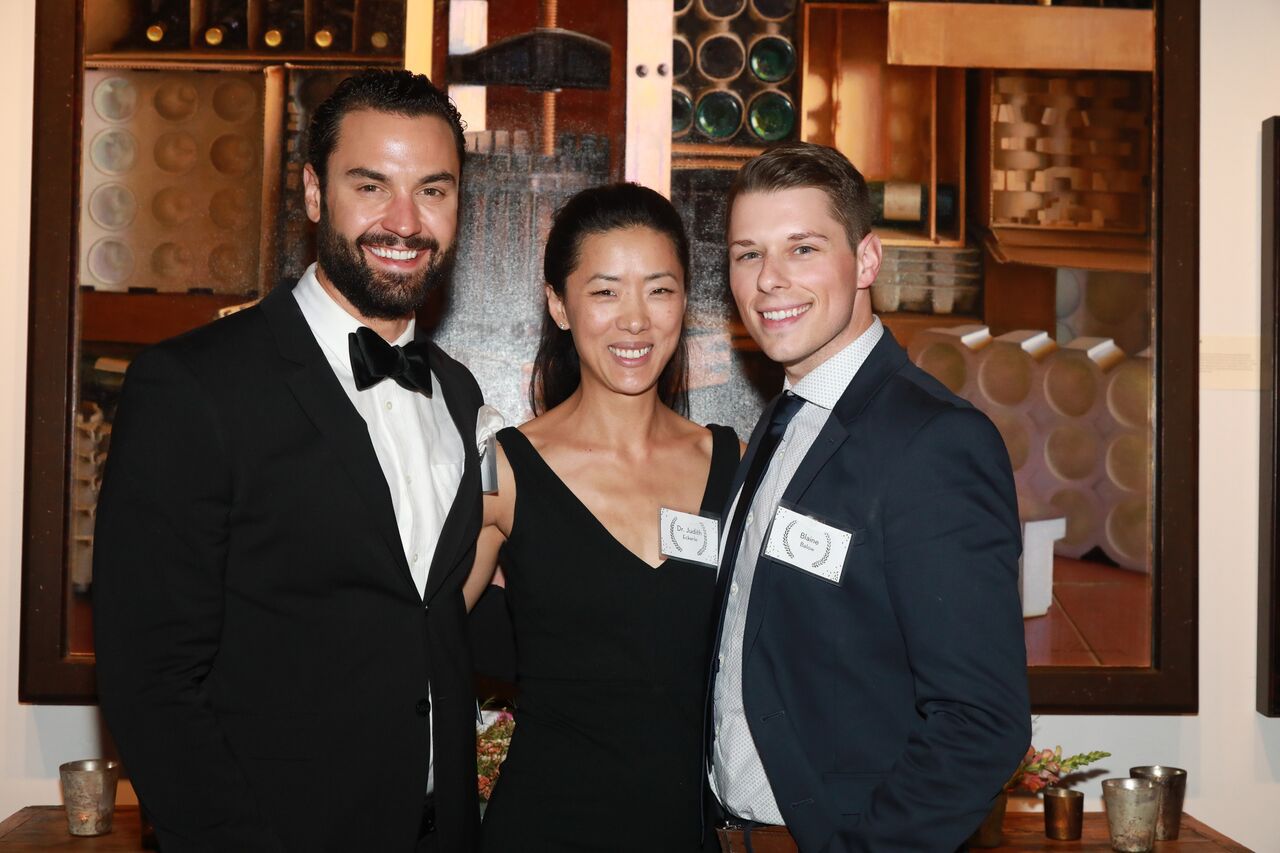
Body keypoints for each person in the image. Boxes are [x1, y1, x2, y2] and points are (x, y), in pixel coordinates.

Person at [94, 70, 483, 852]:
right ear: (313, 193)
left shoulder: (458, 393)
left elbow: (427, 624)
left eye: (433, 190)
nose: (405, 221)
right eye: (371, 185)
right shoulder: (195, 384)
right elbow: (151, 680)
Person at [706, 142, 1031, 852]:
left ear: (867, 261)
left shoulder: (934, 441)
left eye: (802, 248)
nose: (769, 281)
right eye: (747, 254)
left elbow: (981, 720)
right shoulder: (782, 420)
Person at [463, 183, 737, 853]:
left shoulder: (731, 465)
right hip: (543, 826)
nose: (636, 321)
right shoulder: (503, 471)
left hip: (686, 830)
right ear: (560, 303)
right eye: (606, 291)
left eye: (660, 289)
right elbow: (415, 639)